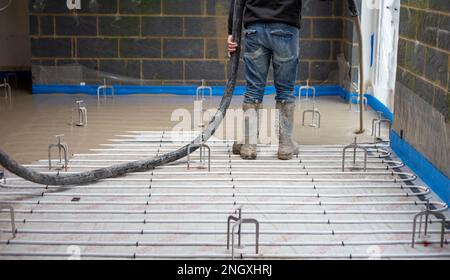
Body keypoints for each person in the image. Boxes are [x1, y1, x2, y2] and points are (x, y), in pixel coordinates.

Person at [227, 0, 305, 161]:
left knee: (253, 90)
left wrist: (231, 32)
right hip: (286, 27)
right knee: (285, 90)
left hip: (255, 28)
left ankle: (249, 146)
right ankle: (285, 146)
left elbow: (237, 2)